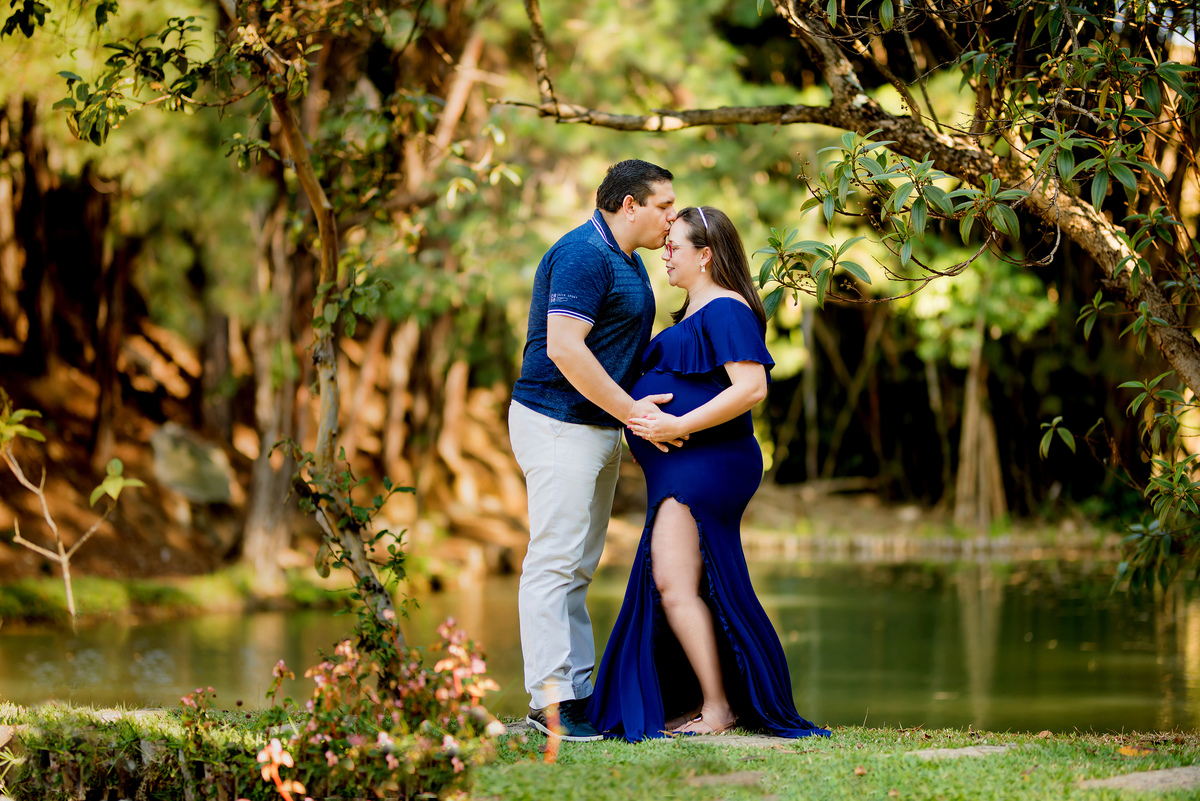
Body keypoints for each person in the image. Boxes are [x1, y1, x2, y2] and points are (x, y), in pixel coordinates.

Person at [586, 206, 830, 741]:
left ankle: (719, 708)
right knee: (688, 584)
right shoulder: (693, 315)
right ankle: (707, 699)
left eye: (675, 244)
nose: (664, 253)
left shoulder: (726, 310)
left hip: (705, 465)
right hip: (683, 466)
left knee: (675, 584)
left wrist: (678, 425)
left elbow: (751, 389)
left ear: (706, 254)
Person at [509, 159, 682, 741]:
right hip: (557, 423)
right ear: (629, 205)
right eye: (663, 206)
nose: (671, 217)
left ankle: (578, 692)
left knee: (579, 565)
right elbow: (564, 348)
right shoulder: (584, 253)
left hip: (598, 428)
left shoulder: (629, 262)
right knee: (554, 561)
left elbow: (612, 350)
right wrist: (633, 411)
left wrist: (635, 406)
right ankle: (550, 701)